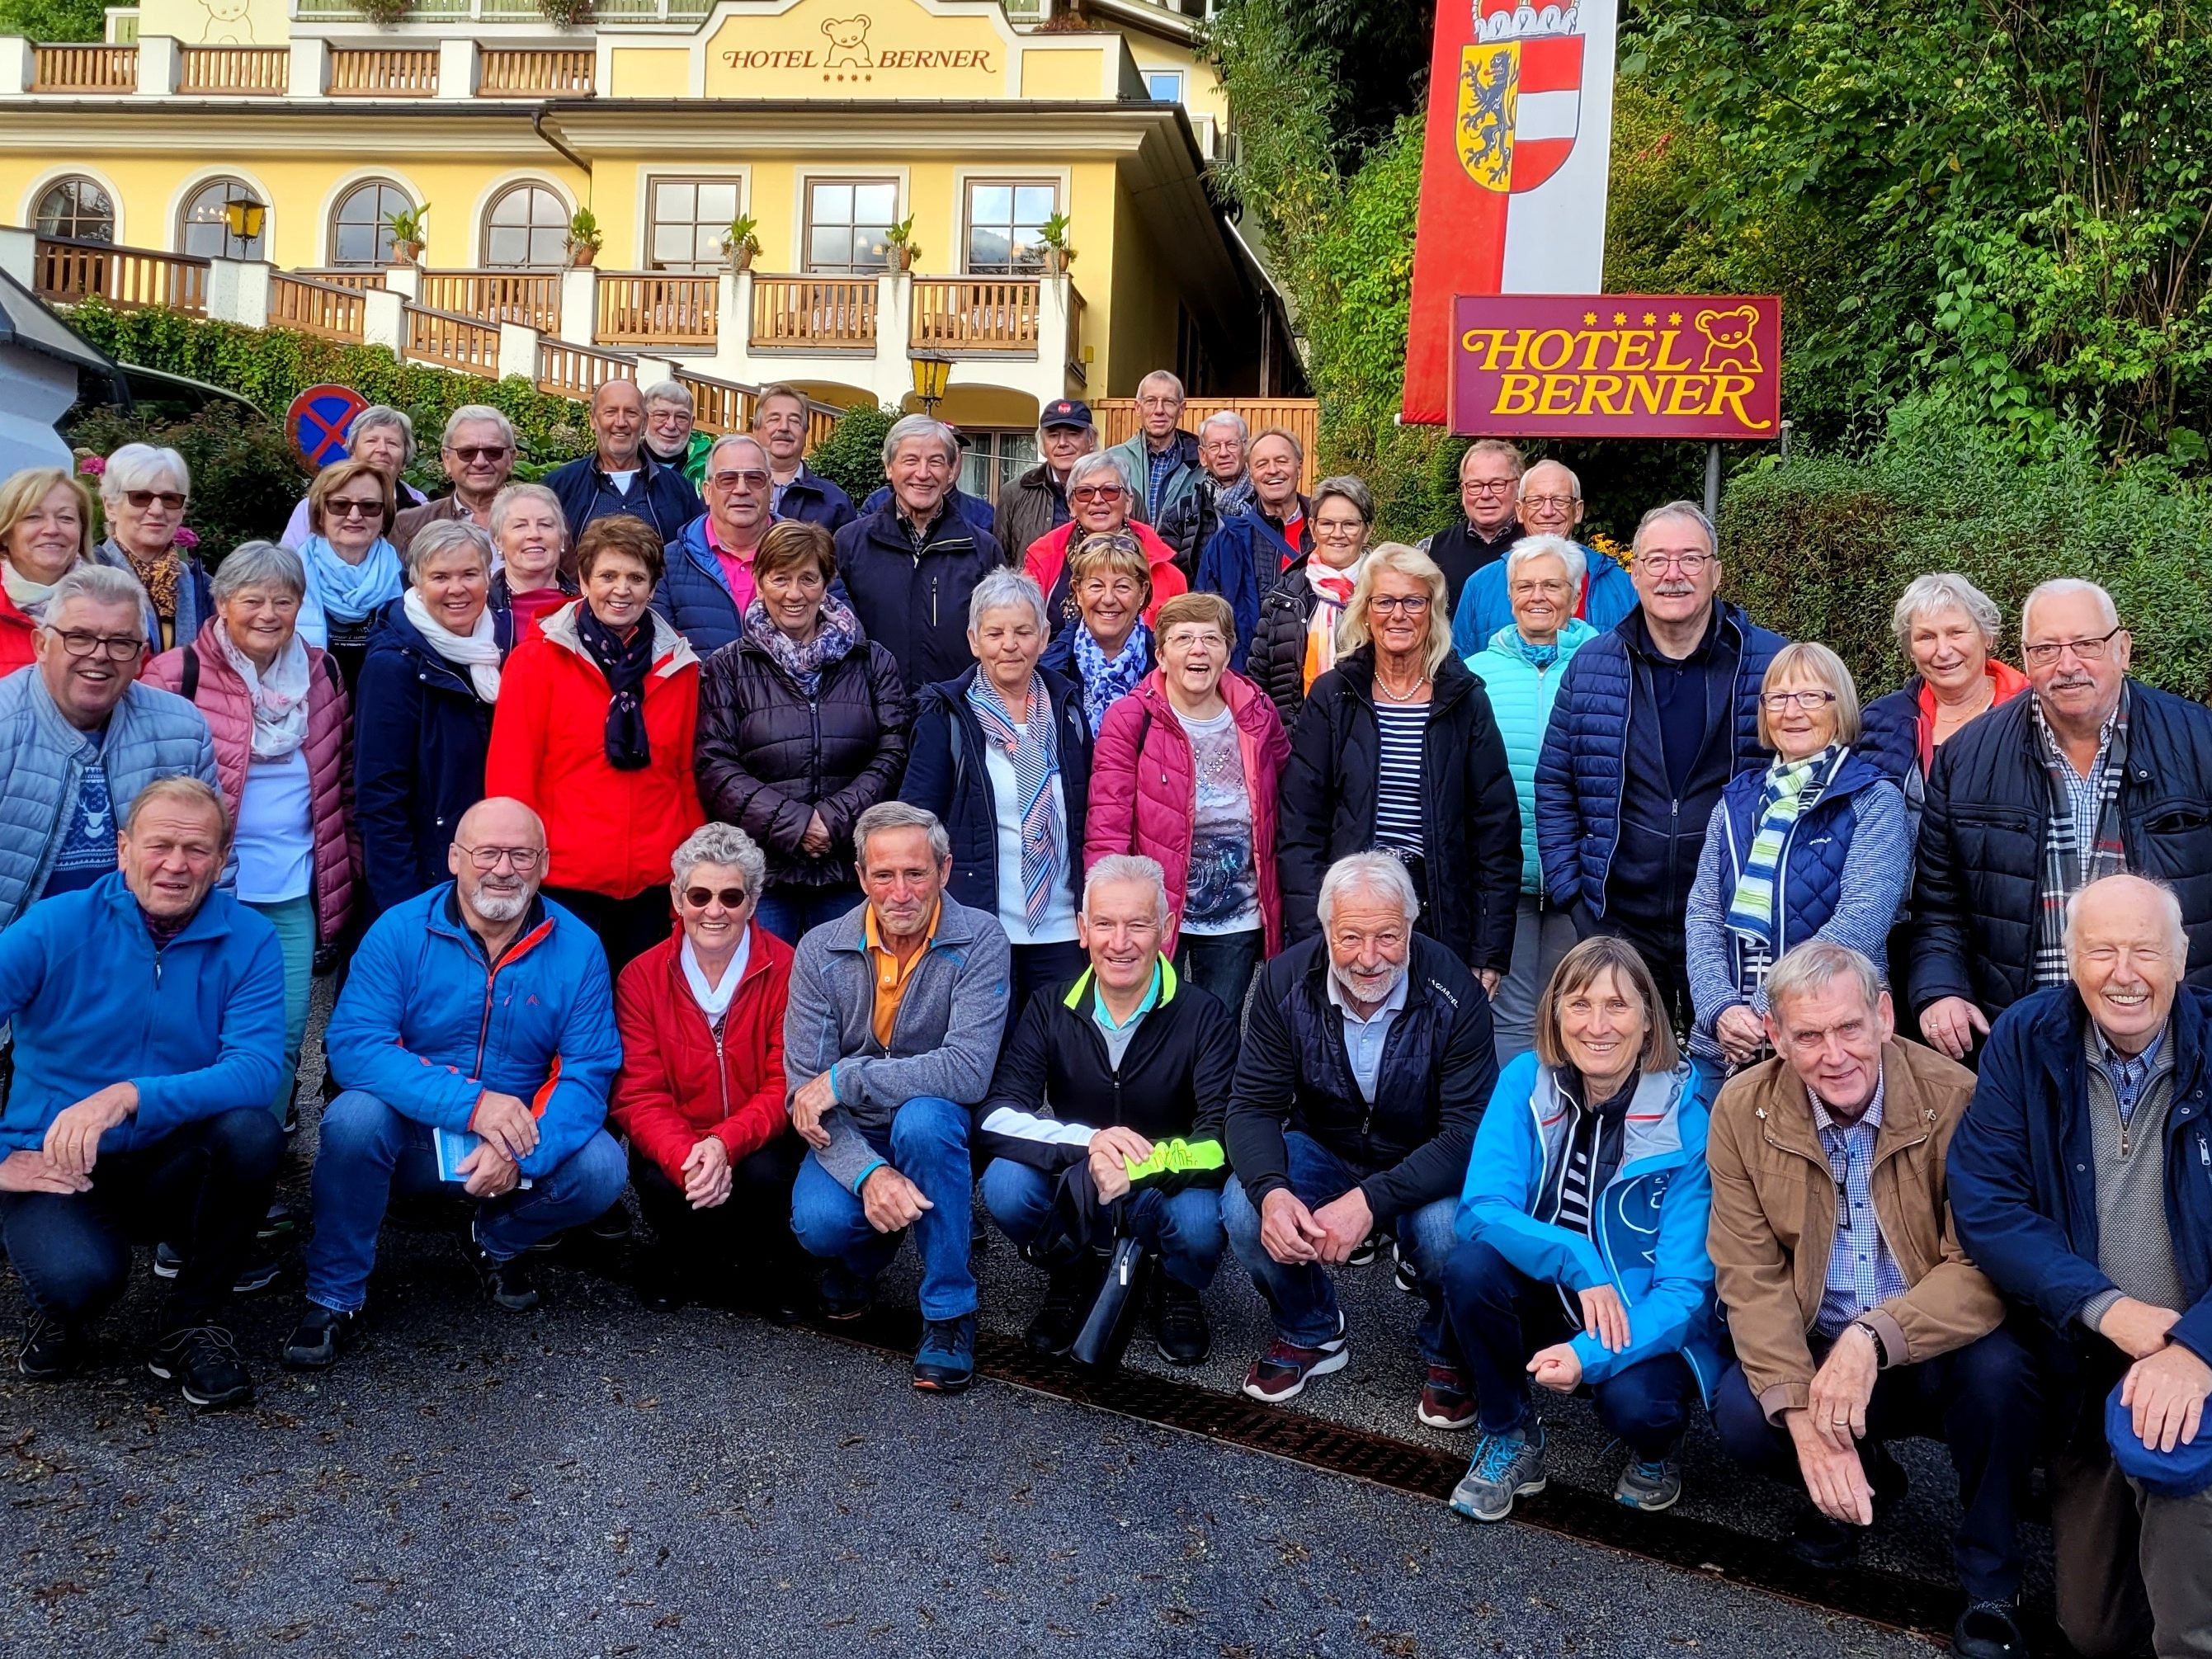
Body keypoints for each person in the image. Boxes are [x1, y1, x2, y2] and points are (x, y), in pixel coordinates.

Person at [1706, 940, 2035, 1659]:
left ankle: (1991, 1575)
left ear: (1885, 1016)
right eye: (1809, 1035)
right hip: (1822, 1342)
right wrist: (1801, 1415)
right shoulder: (1741, 1108)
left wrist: (1871, 1337)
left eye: (1849, 1027)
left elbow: (1981, 1267)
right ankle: (1866, 1482)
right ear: (1775, 1037)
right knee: (1744, 1412)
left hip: (1932, 1339)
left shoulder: (1957, 1097)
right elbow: (1748, 1274)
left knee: (2002, 1375)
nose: (1834, 1054)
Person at [1950, 874, 2212, 1659]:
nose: (2122, 972)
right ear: (2070, 957)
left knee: (2185, 1603)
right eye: (2101, 950)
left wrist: (2196, 1344)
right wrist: (2103, 1307)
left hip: (2198, 1362)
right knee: (2094, 1633)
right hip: (2089, 1356)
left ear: (2181, 955)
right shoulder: (2026, 1037)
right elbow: (1986, 1201)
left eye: (2144, 950)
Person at [282, 797, 627, 1369]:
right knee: (354, 1118)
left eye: (521, 854)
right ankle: (334, 1294)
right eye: (487, 852)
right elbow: (354, 1045)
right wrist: (474, 1106)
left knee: (601, 1167)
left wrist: (522, 1143)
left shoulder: (580, 946)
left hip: (515, 1141)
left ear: (543, 864)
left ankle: (492, 1238)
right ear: (454, 858)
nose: (503, 868)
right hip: (414, 1138)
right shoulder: (397, 930)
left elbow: (588, 1068)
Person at [0, 776, 284, 1407]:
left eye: (197, 850)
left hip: (170, 1160)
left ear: (221, 858)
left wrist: (130, 1094)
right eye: (159, 845)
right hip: (58, 1163)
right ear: (123, 847)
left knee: (251, 1131)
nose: (176, 865)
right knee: (80, 1280)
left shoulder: (250, 938)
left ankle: (189, 1325)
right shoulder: (56, 925)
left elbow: (259, 1068)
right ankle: (63, 1308)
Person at [1445, 937, 1722, 1520]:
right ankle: (1511, 1435)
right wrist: (1574, 1253)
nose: (1597, 1024)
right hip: (1558, 1284)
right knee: (1469, 1267)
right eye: (1579, 1003)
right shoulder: (1526, 1077)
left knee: (1639, 1407)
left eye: (1618, 1005)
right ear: (1554, 1014)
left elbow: (1683, 1294)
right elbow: (1480, 1208)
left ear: (1650, 1022)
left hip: (1641, 1309)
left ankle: (1655, 1449)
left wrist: (1584, 1354)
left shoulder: (1688, 1119)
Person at [1224, 852, 1497, 1409]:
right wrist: (1274, 1191)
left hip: (1424, 1155)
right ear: (1324, 929)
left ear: (1412, 926)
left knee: (1449, 1231)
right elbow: (1251, 1105)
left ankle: (1450, 1350)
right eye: (1349, 937)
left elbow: (1470, 1130)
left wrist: (1369, 1201)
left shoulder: (1454, 992)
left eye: (1387, 936)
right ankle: (1311, 1328)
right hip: (1325, 1144)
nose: (1369, 958)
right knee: (1244, 1207)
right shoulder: (1282, 981)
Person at [1913, 578, 2212, 1062]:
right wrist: (1940, 989)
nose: (2067, 665)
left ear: (2123, 650)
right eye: (2047, 649)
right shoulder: (1967, 759)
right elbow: (1938, 910)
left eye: (2087, 645)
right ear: (2026, 660)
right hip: (2022, 1033)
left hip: (2176, 1035)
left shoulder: (2200, 743)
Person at [783, 801, 1012, 1393]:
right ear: (861, 878)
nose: (900, 890)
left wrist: (845, 1079)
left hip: (934, 1122)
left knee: (923, 1120)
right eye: (883, 874)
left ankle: (948, 1313)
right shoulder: (818, 949)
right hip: (855, 1130)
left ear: (943, 869)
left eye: (915, 872)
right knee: (817, 1224)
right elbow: (804, 1091)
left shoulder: (982, 937)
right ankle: (864, 1255)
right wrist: (869, 1176)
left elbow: (965, 1071)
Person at [1536, 502, 1788, 1032]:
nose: (1673, 574)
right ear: (1635, 573)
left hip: (1735, 923)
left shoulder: (1770, 664)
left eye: (1691, 559)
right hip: (1619, 920)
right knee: (1627, 1075)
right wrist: (1573, 896)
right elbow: (1557, 783)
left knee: (1731, 1080)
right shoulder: (1594, 664)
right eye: (1657, 560)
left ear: (1717, 571)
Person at [978, 855, 1237, 1364]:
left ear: (1165, 930)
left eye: (1138, 925)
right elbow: (996, 1113)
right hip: (1083, 1176)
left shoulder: (1205, 1014)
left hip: (1172, 1181)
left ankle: (1176, 1284)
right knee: (1004, 1184)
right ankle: (1072, 1272)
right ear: (1082, 930)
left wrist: (1141, 1164)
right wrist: (1089, 1144)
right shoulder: (1050, 1007)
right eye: (1105, 924)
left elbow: (1222, 1138)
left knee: (1203, 1219)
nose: (1120, 943)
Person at [143, 540, 354, 1124]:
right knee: (195, 1028)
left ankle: (261, 1145)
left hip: (290, 887)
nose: (268, 613)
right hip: (202, 891)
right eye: (252, 599)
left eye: (282, 601)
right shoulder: (174, 674)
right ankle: (191, 1144)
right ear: (221, 602)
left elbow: (345, 781)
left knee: (284, 1031)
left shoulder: (323, 673)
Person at [1277, 544, 1521, 990]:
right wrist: (1315, 931)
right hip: (1353, 908)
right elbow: (1300, 828)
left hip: (1440, 910)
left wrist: (1489, 949)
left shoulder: (1465, 700)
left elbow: (1495, 834)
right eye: (1385, 601)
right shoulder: (1335, 696)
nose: (1399, 614)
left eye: (1414, 601)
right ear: (1366, 611)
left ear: (1433, 611)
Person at [485, 516, 703, 973]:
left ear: (653, 586)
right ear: (583, 580)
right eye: (607, 575)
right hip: (564, 881)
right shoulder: (536, 661)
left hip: (652, 883)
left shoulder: (679, 667)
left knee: (640, 1023)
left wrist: (691, 867)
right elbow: (511, 778)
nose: (620, 590)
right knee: (565, 1024)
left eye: (635, 578)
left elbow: (682, 775)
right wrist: (517, 869)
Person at [612, 822, 807, 1317]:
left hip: (756, 1138)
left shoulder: (788, 968)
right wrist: (692, 1154)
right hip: (681, 1139)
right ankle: (682, 1256)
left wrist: (724, 1143)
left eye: (731, 896)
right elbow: (638, 1093)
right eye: (699, 895)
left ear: (753, 901)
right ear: (677, 898)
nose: (714, 911)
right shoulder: (641, 976)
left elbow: (784, 1081)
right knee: (661, 1179)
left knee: (764, 1174)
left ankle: (765, 1258)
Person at [1686, 643, 1911, 1072]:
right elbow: (1703, 915)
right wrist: (1720, 1008)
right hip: (1731, 1041)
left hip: (1830, 1039)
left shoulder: (1872, 799)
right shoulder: (1736, 801)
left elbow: (1861, 921)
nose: (1793, 712)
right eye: (1779, 698)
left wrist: (1765, 1009)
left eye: (1811, 696)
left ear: (1839, 706)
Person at [694, 521, 910, 945]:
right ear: (759, 582)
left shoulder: (871, 661)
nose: (794, 594)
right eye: (781, 578)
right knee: (765, 999)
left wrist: (831, 821)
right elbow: (715, 765)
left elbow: (893, 752)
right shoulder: (727, 667)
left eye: (808, 579)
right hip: (764, 872)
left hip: (848, 869)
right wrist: (796, 824)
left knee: (852, 995)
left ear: (826, 583)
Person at [1087, 591, 1290, 1013]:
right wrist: (1106, 907)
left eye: (1211, 639)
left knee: (1219, 1029)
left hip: (1238, 912)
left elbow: (1286, 800)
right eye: (1183, 640)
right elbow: (1108, 819)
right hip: (1156, 912)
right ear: (1161, 655)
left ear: (1228, 651)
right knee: (1151, 1026)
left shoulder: (1257, 712)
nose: (1198, 650)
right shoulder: (1131, 718)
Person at [900, 568, 1091, 1013]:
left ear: (1044, 637)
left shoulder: (1068, 709)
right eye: (996, 633)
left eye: (1024, 631)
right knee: (989, 1064)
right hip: (981, 926)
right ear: (973, 640)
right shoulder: (944, 715)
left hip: (1062, 928)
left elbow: (1087, 812)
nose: (1010, 645)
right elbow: (917, 821)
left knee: (1064, 1064)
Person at [0, 565, 217, 932]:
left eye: (120, 642)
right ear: (41, 645)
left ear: (140, 656)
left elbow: (212, 861)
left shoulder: (183, 730)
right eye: (79, 637)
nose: (100, 655)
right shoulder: (6, 723)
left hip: (139, 956)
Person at [353, 521, 514, 920]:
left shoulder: (500, 650)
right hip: (424, 878)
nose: (456, 589)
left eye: (469, 574)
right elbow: (379, 797)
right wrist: (406, 907)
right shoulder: (393, 665)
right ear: (417, 583)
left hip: (487, 867)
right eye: (440, 576)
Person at [1477, 536, 1598, 1058]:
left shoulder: (1606, 665)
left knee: (1578, 1007)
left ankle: (1576, 1129)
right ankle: (1516, 1129)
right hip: (1508, 873)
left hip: (1580, 872)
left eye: (1552, 585)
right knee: (1510, 1012)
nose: (1538, 596)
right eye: (1524, 586)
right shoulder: (1476, 672)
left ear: (1574, 595)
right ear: (1509, 595)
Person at [837, 414, 1006, 693]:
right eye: (910, 460)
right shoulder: (849, 543)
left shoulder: (982, 548)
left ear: (951, 472)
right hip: (870, 712)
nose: (923, 473)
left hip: (955, 713)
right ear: (889, 468)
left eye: (936, 462)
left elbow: (999, 635)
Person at [1860, 573, 2030, 823]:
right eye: (1926, 637)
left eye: (1957, 632)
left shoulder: (2032, 712)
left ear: (1988, 637)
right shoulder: (1880, 722)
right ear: (1911, 650)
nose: (1943, 651)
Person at [1449, 460, 1637, 655]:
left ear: (1578, 510)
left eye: (1560, 500)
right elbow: (1460, 670)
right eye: (1536, 501)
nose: (1548, 512)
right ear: (1520, 511)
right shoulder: (1481, 585)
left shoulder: (1619, 584)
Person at [1248, 475, 1375, 728]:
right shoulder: (1283, 597)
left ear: (1368, 529)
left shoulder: (1384, 594)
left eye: (1350, 524)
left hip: (1368, 741)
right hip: (1297, 743)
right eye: (1327, 524)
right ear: (1313, 528)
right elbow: (1257, 684)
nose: (1337, 534)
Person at [1021, 452, 1186, 639]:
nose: (1098, 500)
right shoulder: (1042, 559)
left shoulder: (1169, 576)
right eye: (1085, 492)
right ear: (1071, 505)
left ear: (1129, 502)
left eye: (1110, 491)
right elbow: (1024, 630)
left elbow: (1178, 644)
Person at [1194, 427, 1312, 663]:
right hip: (1251, 676)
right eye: (1262, 464)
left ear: (1299, 465)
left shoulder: (1326, 530)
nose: (1272, 470)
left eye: (1282, 461)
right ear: (1250, 471)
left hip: (1315, 673)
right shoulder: (1227, 542)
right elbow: (1204, 616)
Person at [544, 378, 703, 548]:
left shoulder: (679, 491)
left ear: (644, 423)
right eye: (611, 412)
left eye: (631, 413)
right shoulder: (559, 487)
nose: (620, 423)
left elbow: (695, 556)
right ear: (593, 420)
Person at [662, 433, 781, 655]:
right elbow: (658, 654)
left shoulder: (807, 556)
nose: (742, 489)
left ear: (770, 489)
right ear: (707, 492)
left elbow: (843, 638)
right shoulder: (668, 564)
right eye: (727, 479)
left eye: (755, 479)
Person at [1035, 531, 1158, 738]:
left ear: (1142, 591)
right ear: (1078, 592)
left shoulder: (1168, 667)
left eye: (1122, 586)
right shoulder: (1047, 670)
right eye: (1096, 586)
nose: (1108, 598)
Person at [92, 443, 213, 653]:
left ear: (182, 510)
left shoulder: (203, 589)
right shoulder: (86, 577)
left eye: (169, 499)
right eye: (140, 497)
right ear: (110, 506)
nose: (156, 510)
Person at [295, 457, 404, 690]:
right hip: (310, 712)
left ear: (384, 515)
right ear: (320, 513)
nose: (355, 516)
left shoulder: (407, 581)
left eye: (369, 506)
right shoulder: (289, 578)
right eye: (340, 505)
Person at [279, 405, 428, 553]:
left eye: (392, 443)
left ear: (404, 459)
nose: (382, 449)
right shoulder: (315, 505)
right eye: (371, 441)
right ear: (352, 451)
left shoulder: (421, 509)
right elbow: (288, 566)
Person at [0, 465, 96, 676]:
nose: (52, 529)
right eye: (33, 517)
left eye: (66, 518)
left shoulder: (111, 600)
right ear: (6, 533)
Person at [392, 407, 517, 555]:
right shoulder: (408, 526)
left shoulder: (541, 520)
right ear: (446, 459)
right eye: (467, 453)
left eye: (493, 452)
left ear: (511, 458)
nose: (480, 462)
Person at [1420, 440, 1524, 616]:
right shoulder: (1431, 550)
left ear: (1520, 487)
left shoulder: (1539, 546)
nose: (1486, 495)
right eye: (1475, 485)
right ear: (1463, 491)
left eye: (1497, 484)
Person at [1155, 410, 1254, 575]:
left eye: (1232, 444)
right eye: (1215, 446)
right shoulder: (1180, 513)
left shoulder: (1265, 507)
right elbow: (1168, 577)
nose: (1223, 453)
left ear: (1245, 449)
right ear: (1203, 455)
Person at [995, 398, 1097, 558]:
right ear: (1042, 443)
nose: (1062, 443)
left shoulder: (1117, 493)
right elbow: (1000, 563)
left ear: (1091, 440)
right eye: (1053, 436)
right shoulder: (1013, 493)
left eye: (1073, 434)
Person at [753, 384, 856, 531]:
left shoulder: (836, 503)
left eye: (794, 420)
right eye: (774, 419)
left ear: (805, 431)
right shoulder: (728, 491)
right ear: (756, 429)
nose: (784, 427)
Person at [1106, 370, 1201, 526]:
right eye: (1151, 401)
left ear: (1182, 409)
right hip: (1127, 550)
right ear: (1138, 407)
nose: (1159, 410)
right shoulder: (1112, 460)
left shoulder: (1201, 463)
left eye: (1169, 402)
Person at [487, 482, 577, 638]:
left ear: (562, 538)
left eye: (545, 525)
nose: (534, 534)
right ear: (498, 540)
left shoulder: (586, 604)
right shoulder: (480, 608)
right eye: (520, 526)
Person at [642, 379, 712, 483]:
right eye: (661, 415)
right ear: (644, 419)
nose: (671, 425)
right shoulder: (623, 461)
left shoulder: (712, 463)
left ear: (691, 423)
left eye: (681, 417)